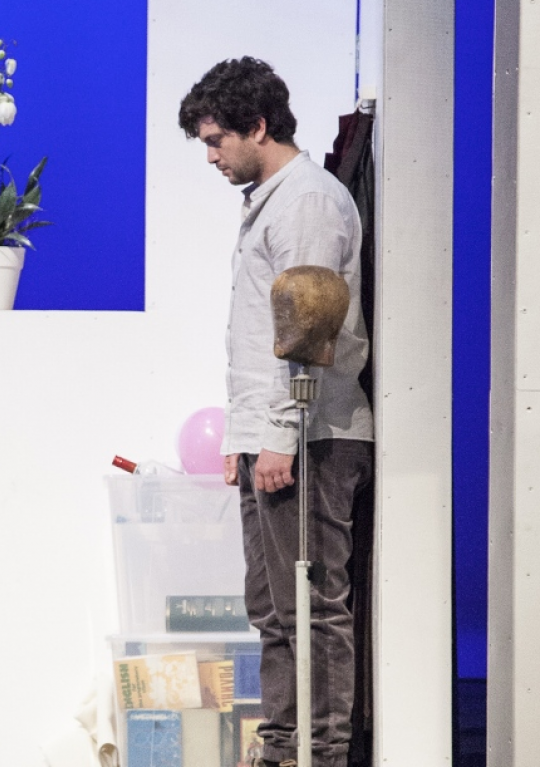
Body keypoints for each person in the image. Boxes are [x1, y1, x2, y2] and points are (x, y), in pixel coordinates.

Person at [178, 58, 374, 767]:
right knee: (269, 603)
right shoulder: (271, 200)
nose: (210, 156)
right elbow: (257, 339)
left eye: (216, 140)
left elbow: (308, 331)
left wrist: (279, 437)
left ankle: (321, 753)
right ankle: (284, 746)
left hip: (311, 437)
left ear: (258, 126)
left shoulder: (307, 203)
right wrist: (243, 436)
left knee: (310, 604)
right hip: (271, 435)